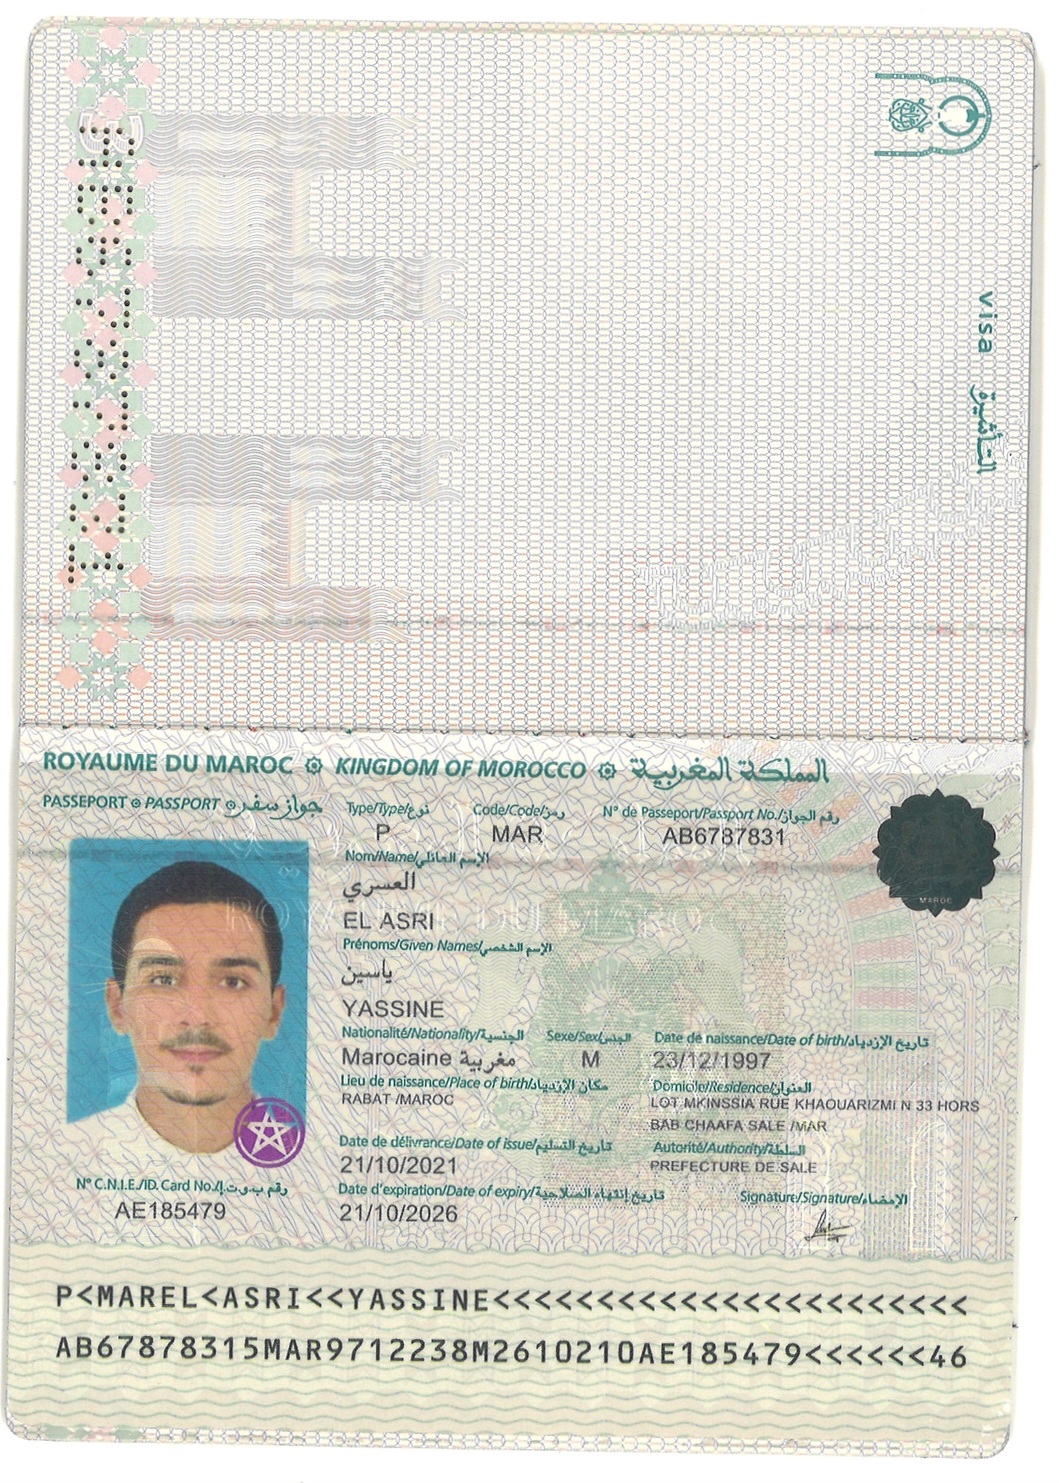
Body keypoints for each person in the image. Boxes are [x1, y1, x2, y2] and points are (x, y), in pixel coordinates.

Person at [74, 859, 287, 1155]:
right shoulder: (61, 1159)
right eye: (163, 980)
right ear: (117, 1005)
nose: (197, 1016)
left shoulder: (321, 1165)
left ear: (274, 1011)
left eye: (233, 982)